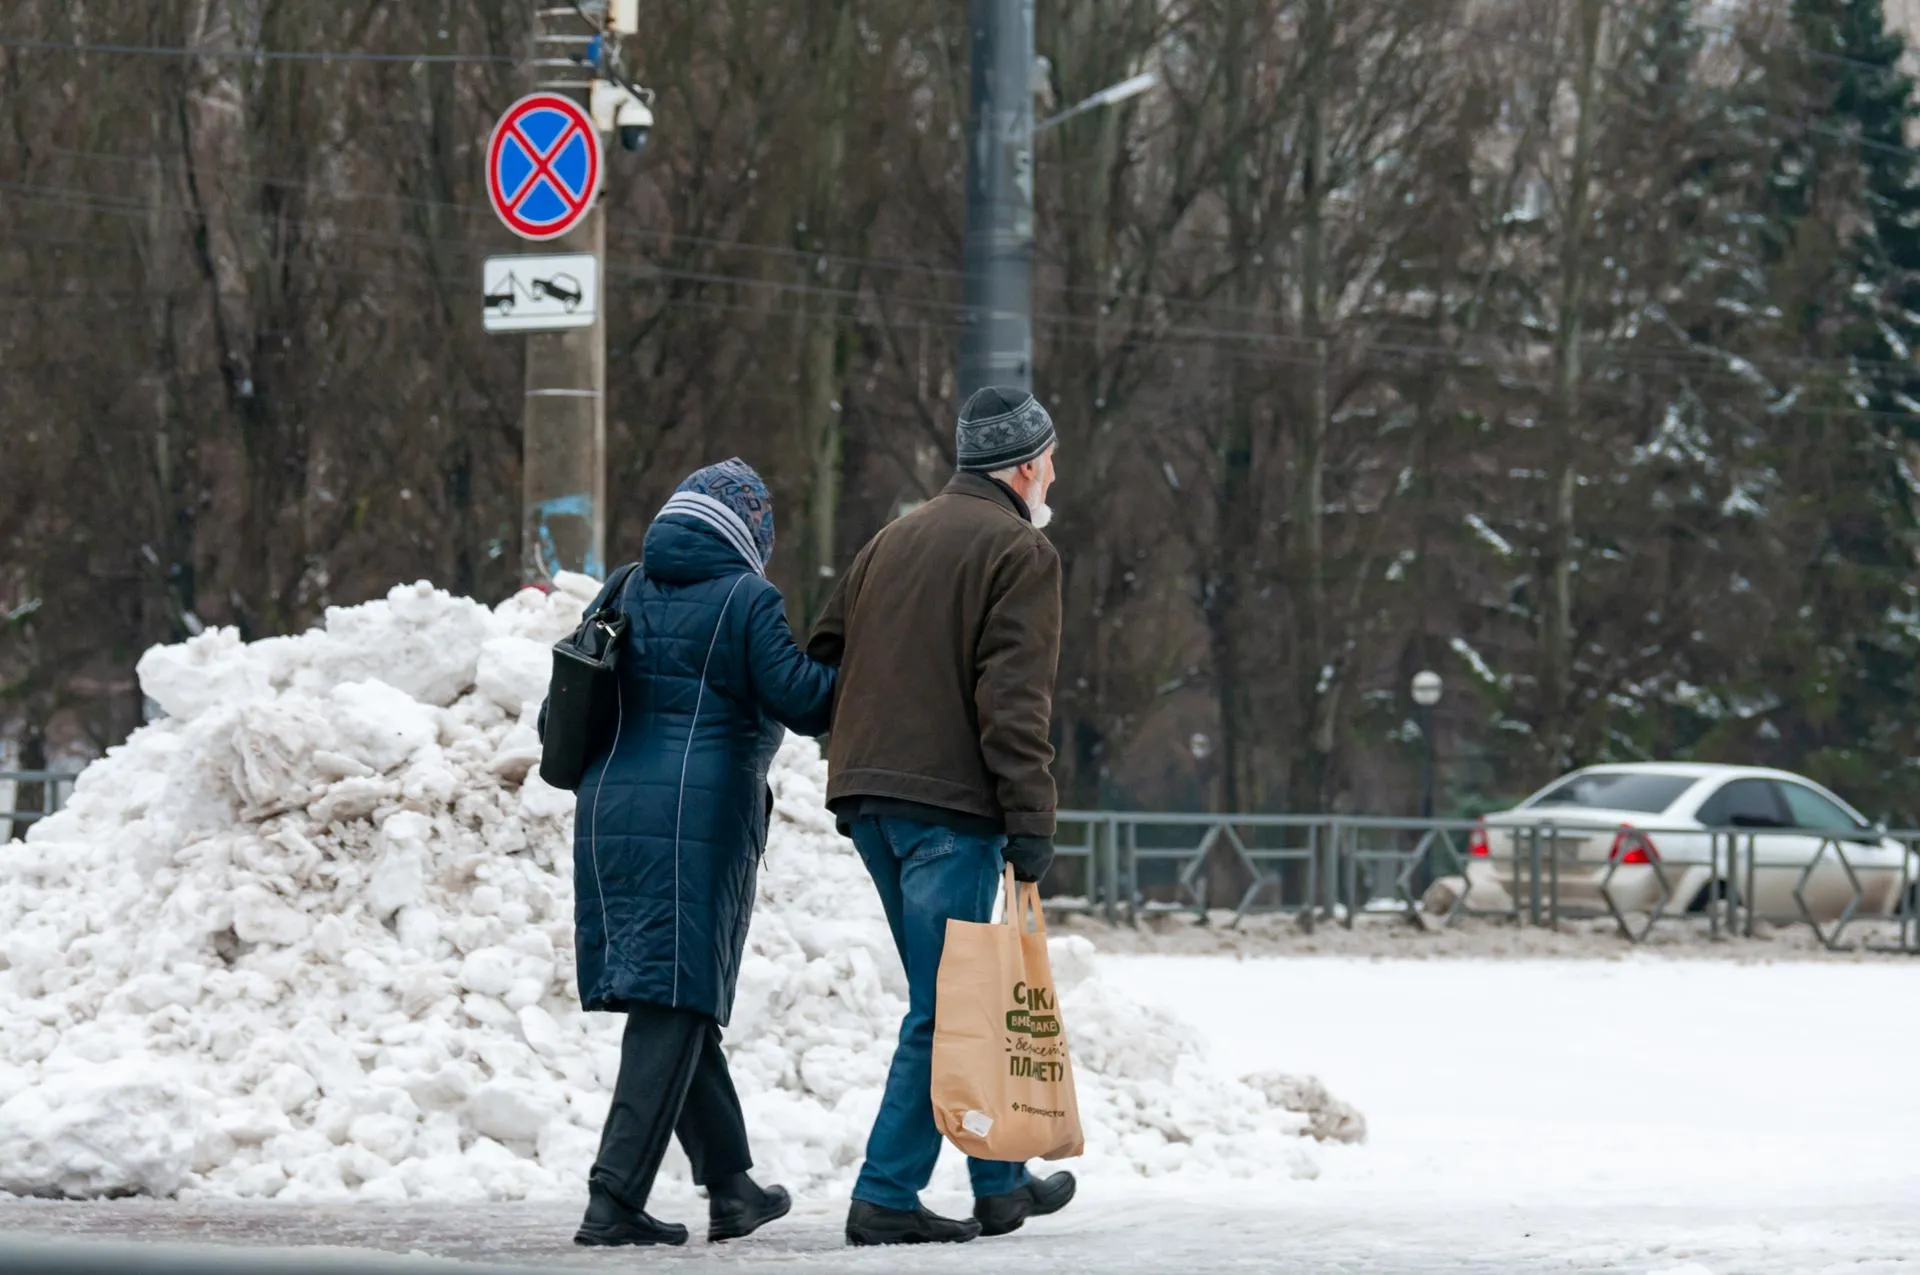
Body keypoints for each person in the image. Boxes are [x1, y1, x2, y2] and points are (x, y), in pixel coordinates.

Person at [808, 387, 1076, 1247]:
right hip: (950, 811)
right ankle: (884, 1192)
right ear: (1027, 466)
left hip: (869, 800)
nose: (1052, 477)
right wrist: (1031, 818)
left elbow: (821, 659)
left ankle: (998, 1182)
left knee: (961, 991)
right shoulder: (1018, 551)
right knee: (948, 1007)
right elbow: (1013, 702)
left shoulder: (892, 537)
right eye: (1051, 462)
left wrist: (870, 730)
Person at [554, 458, 836, 1248]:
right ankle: (612, 1198)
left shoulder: (624, 585)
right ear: (750, 534)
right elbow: (804, 697)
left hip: (610, 809)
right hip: (695, 816)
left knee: (668, 997)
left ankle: (731, 1184)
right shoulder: (746, 600)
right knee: (673, 1003)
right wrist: (863, 658)